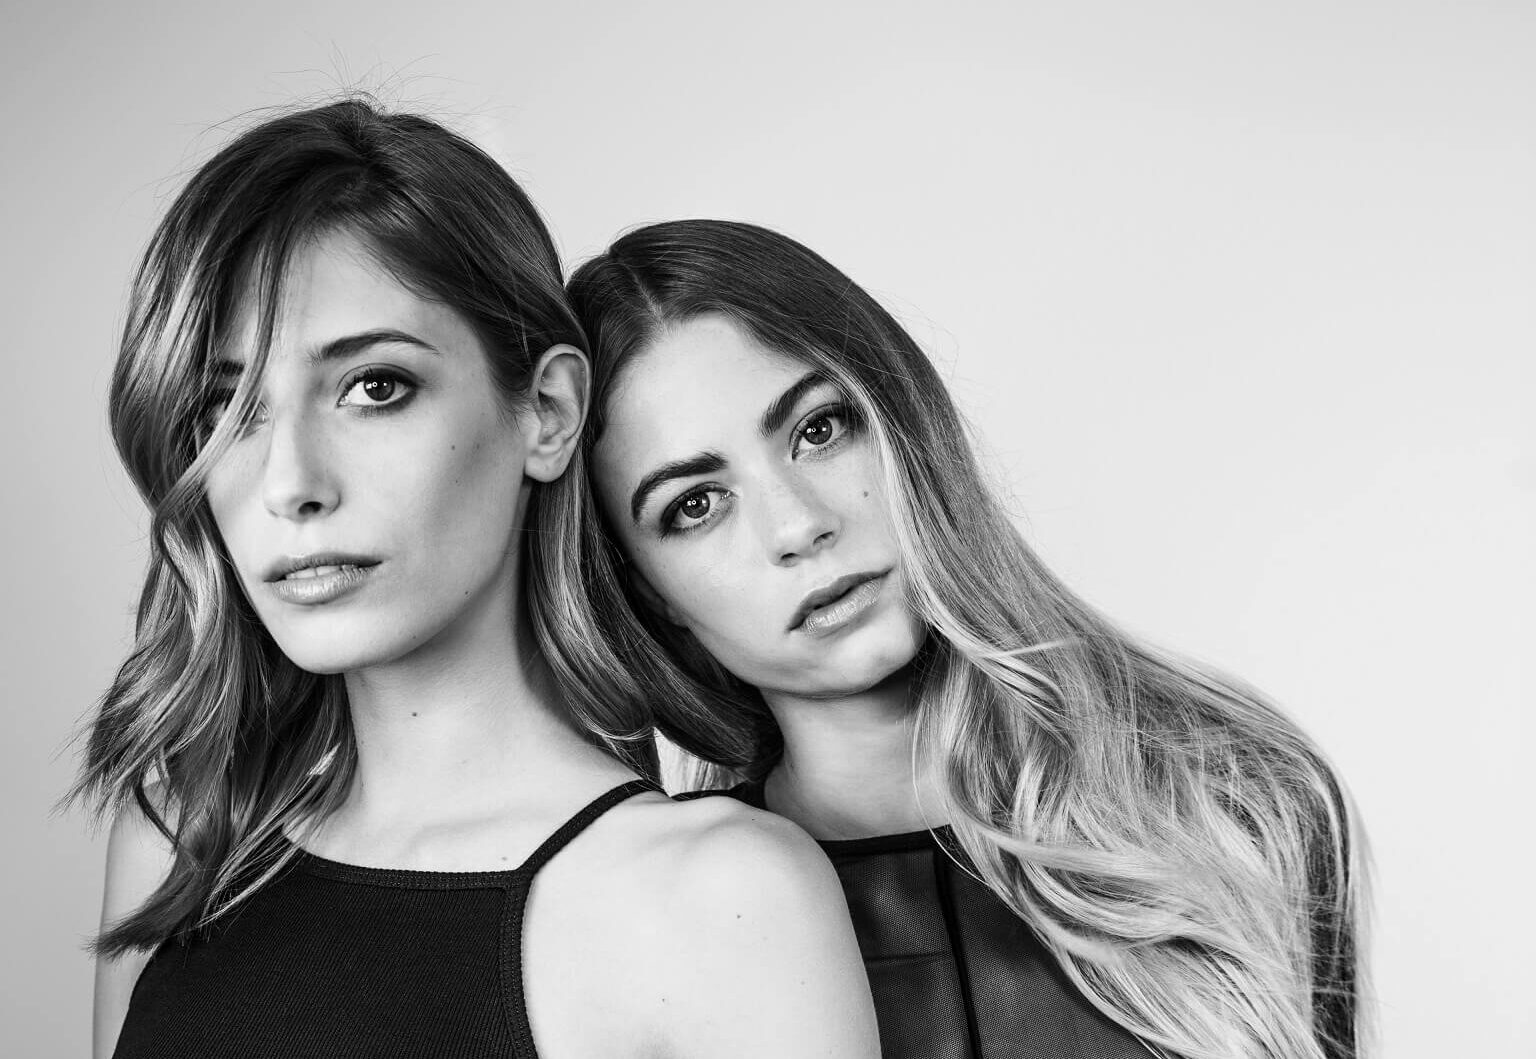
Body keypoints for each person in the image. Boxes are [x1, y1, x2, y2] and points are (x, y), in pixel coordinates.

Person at [73, 106, 877, 1059]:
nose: (291, 483)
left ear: (545, 410)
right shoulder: (184, 839)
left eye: (374, 385)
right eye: (225, 407)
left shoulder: (718, 901)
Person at [547, 219, 1366, 1059]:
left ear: (902, 421)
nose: (796, 524)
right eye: (695, 505)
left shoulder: (1232, 794)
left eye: (818, 430)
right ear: (649, 592)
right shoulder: (657, 920)